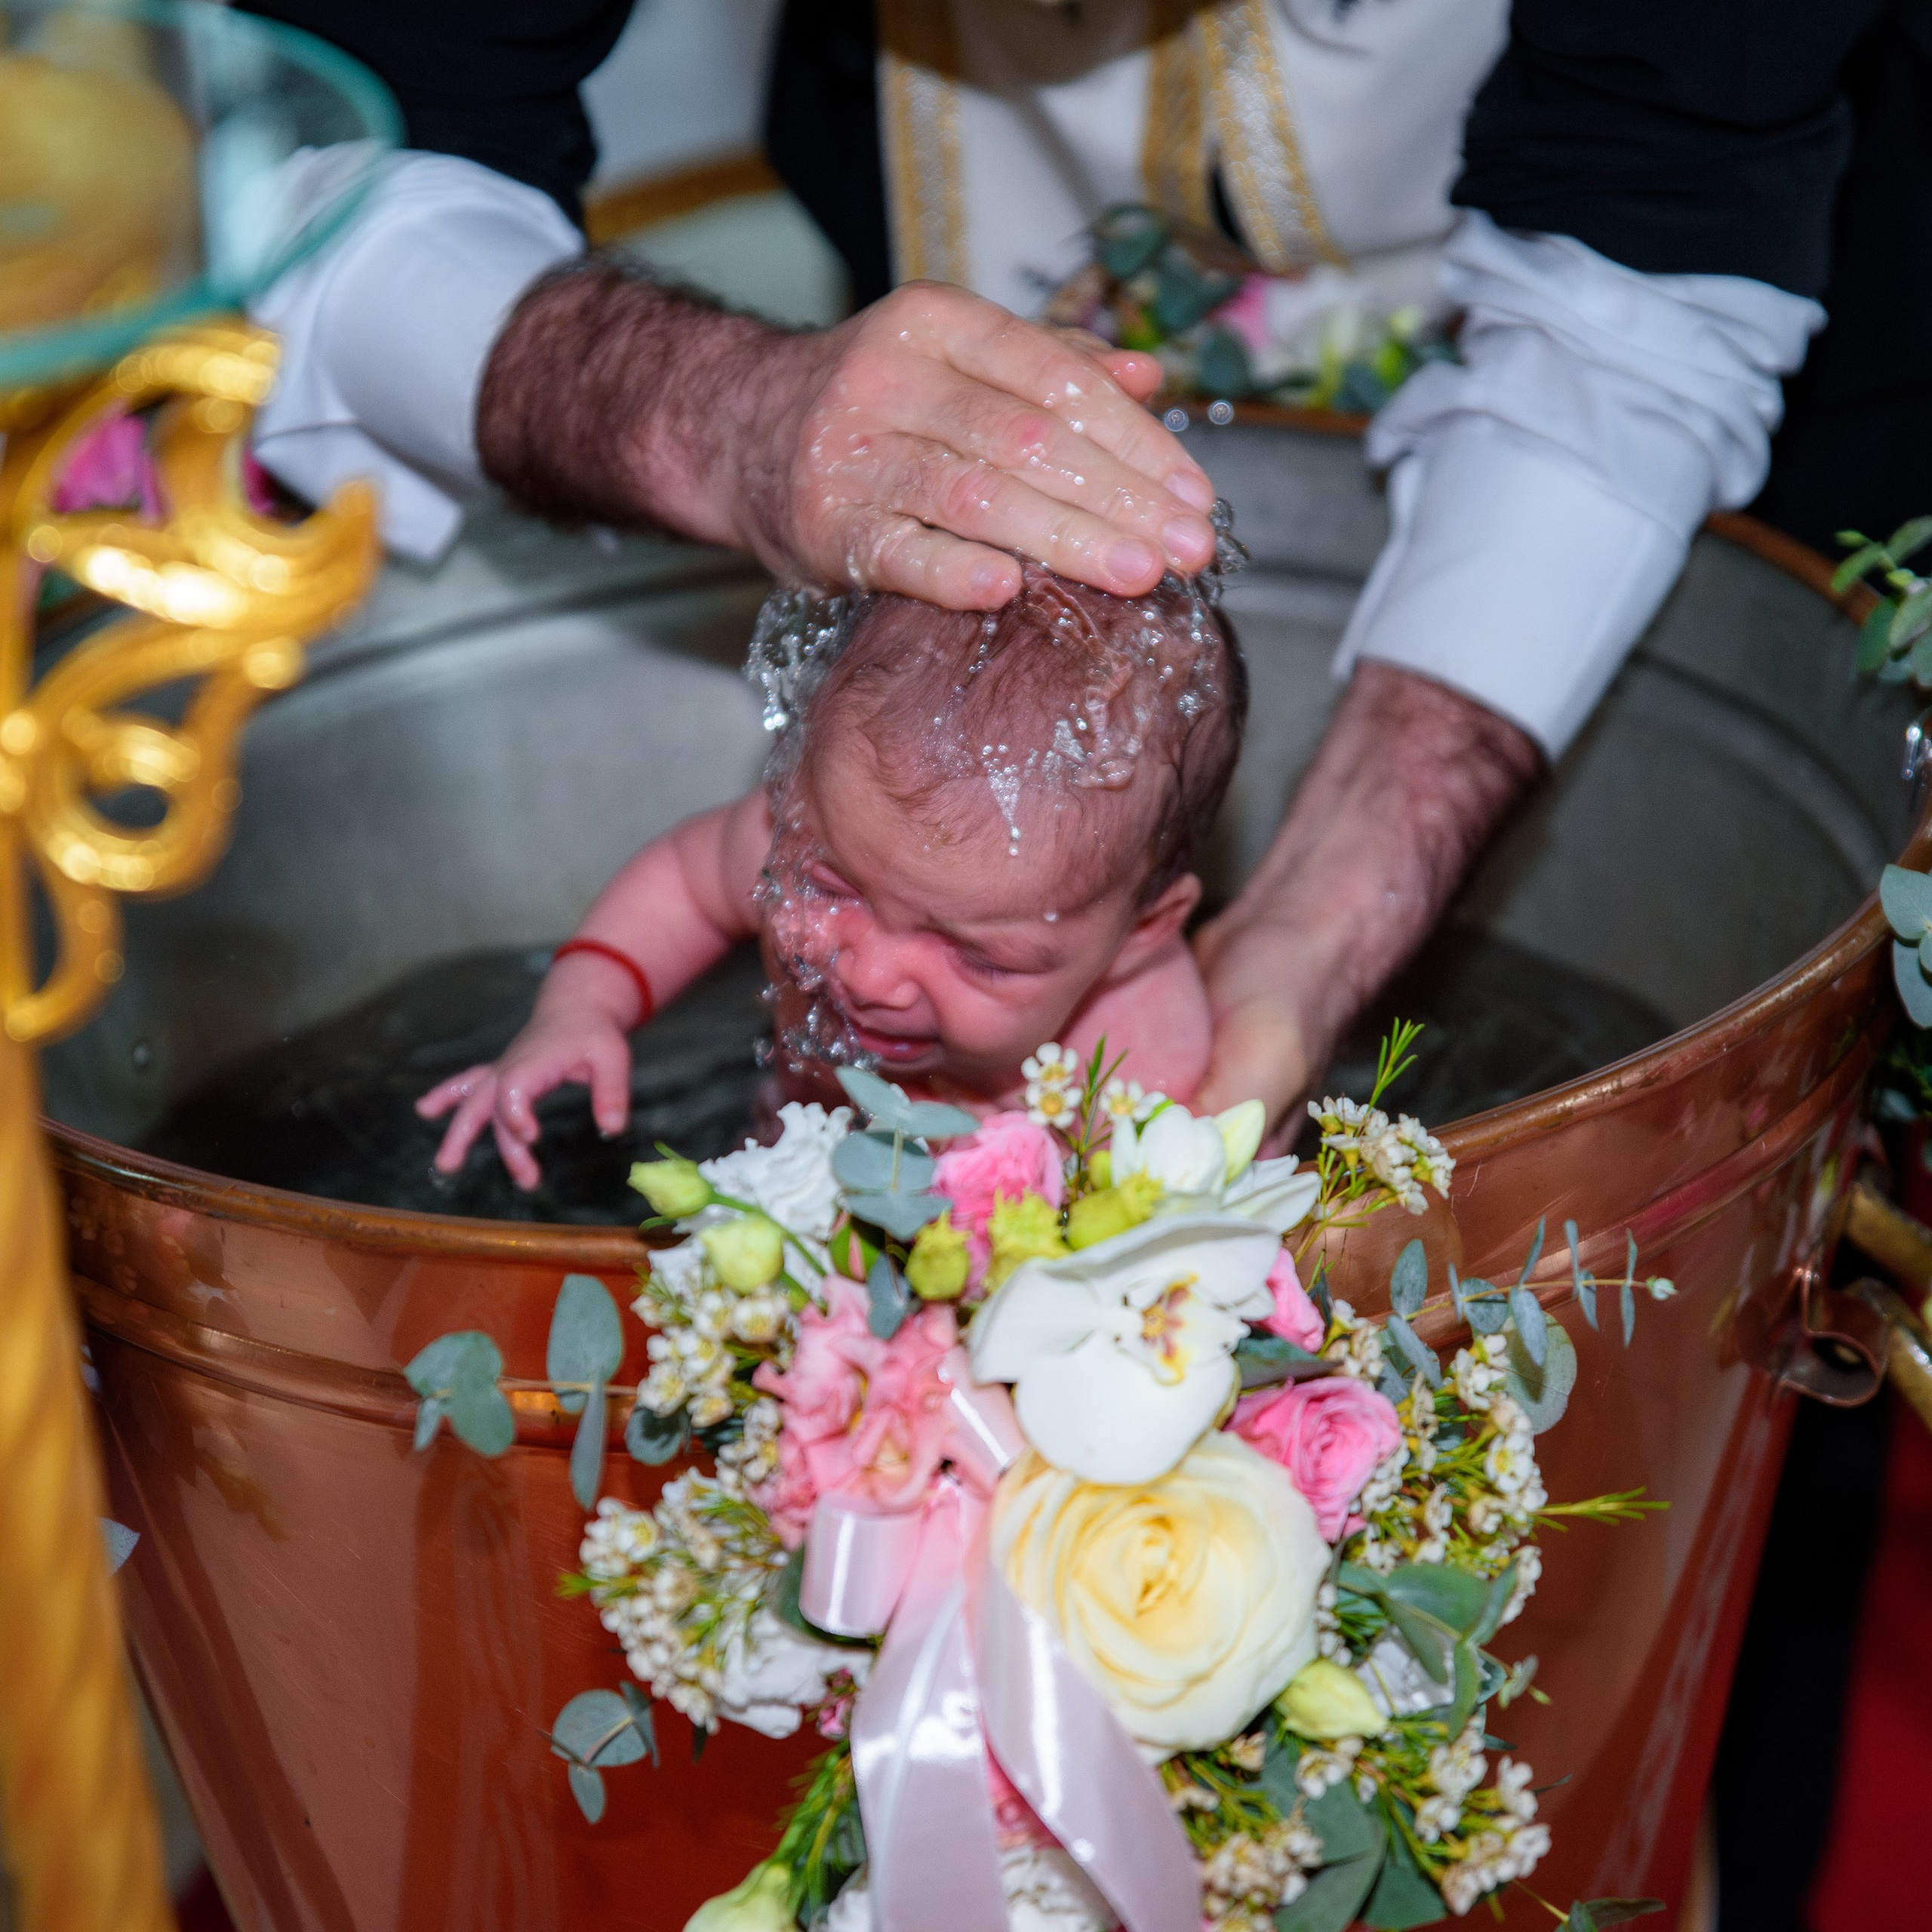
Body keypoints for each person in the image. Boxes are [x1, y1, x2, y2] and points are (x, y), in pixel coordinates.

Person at [417, 556, 1245, 1185]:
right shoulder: (808, 837)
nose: (873, 974)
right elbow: (686, 880)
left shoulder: (1139, 1071)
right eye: (833, 890)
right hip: (777, 1164)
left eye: (979, 956)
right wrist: (579, 1009)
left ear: (1141, 931)